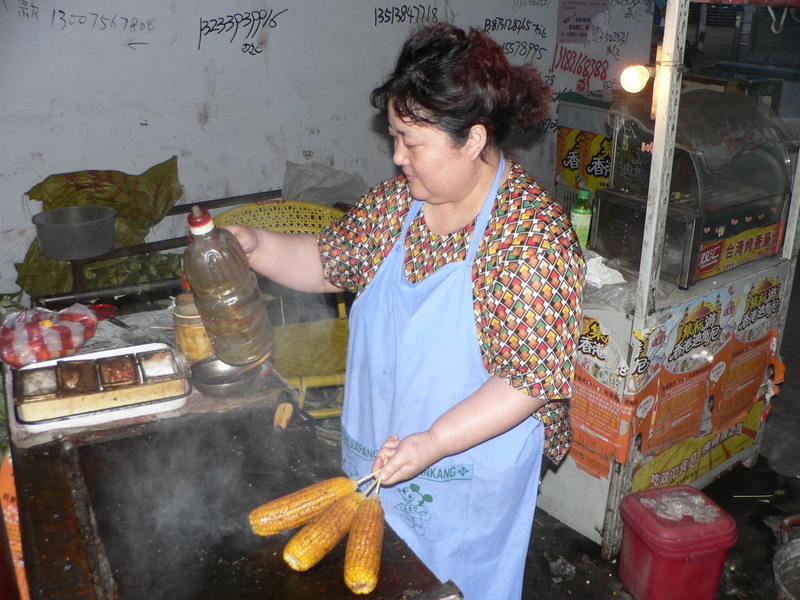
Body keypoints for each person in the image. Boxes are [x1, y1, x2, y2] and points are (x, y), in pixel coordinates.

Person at [227, 23, 584, 600]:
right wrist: (257, 246)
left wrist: (435, 441)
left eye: (411, 142)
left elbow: (530, 380)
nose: (397, 158)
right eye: (394, 137)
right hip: (379, 449)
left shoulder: (529, 240)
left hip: (463, 474)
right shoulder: (399, 205)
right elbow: (327, 262)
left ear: (471, 140)